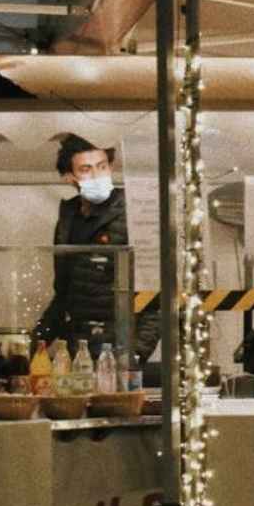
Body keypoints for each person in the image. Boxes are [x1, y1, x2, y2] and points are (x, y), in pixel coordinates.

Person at [36, 134, 159, 363]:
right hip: (77, 347)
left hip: (121, 346)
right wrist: (36, 342)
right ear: (69, 177)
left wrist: (136, 353)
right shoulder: (67, 219)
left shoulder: (135, 213)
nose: (96, 175)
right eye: (86, 169)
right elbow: (63, 292)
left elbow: (156, 296)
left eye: (102, 167)